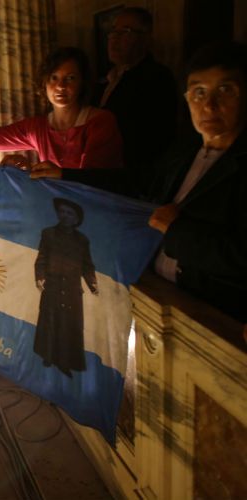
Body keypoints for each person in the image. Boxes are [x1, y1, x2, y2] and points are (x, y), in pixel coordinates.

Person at [147, 41, 247, 323]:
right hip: (158, 299)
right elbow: (141, 184)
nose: (209, 105)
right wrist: (65, 176)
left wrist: (176, 231)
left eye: (225, 90)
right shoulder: (184, 150)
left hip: (212, 317)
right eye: (199, 92)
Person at [97, 7, 177, 179]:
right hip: (101, 172)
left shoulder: (157, 78)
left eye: (125, 31)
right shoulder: (106, 78)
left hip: (131, 178)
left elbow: (156, 140)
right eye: (113, 31)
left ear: (145, 38)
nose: (114, 38)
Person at [34, 198, 98, 377]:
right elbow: (42, 258)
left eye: (70, 213)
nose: (65, 215)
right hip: (52, 286)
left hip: (72, 290)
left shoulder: (82, 240)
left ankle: (66, 364)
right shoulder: (48, 234)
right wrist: (40, 277)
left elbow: (87, 265)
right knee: (51, 321)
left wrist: (92, 284)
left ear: (77, 218)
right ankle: (48, 356)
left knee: (69, 326)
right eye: (62, 211)